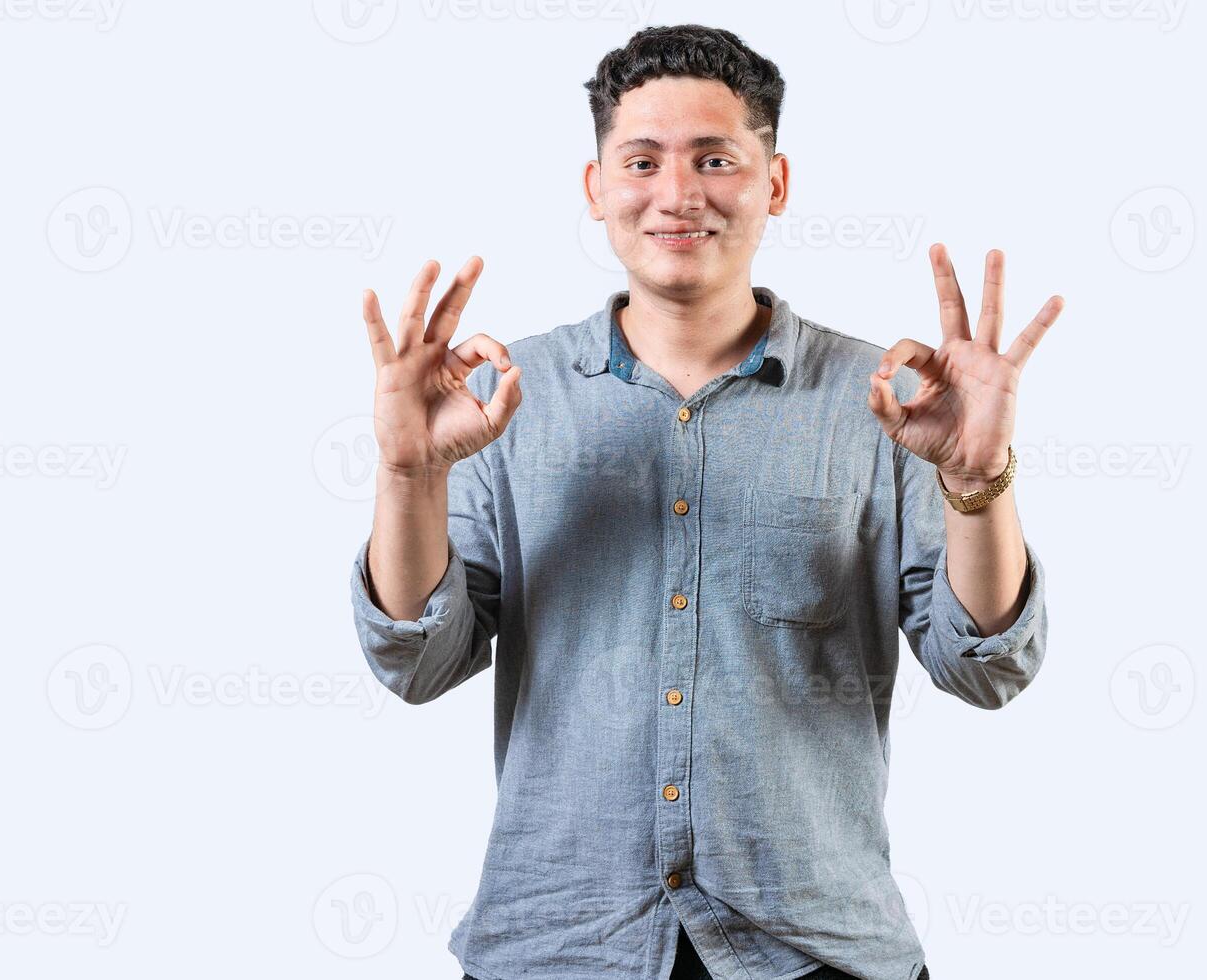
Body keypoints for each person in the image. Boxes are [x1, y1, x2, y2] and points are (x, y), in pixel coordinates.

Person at [348, 23, 1063, 980]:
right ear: (597, 187)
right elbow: (420, 662)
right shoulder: (501, 399)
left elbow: (984, 670)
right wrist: (408, 476)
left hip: (814, 949)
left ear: (773, 182)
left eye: (714, 158)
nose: (676, 194)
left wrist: (975, 485)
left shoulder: (887, 402)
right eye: (640, 160)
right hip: (558, 943)